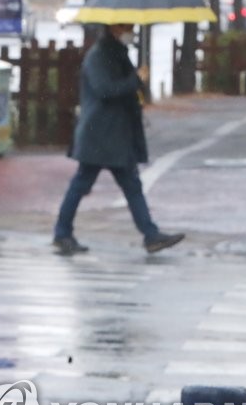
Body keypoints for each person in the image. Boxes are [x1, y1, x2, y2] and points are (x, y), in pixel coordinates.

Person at [52, 23, 185, 256]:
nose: (130, 31)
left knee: (130, 185)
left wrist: (136, 83)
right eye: (126, 27)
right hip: (100, 134)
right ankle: (62, 233)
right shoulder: (99, 56)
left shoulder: (115, 53)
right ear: (113, 28)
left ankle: (150, 235)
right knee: (83, 183)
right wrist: (135, 80)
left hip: (113, 134)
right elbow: (105, 90)